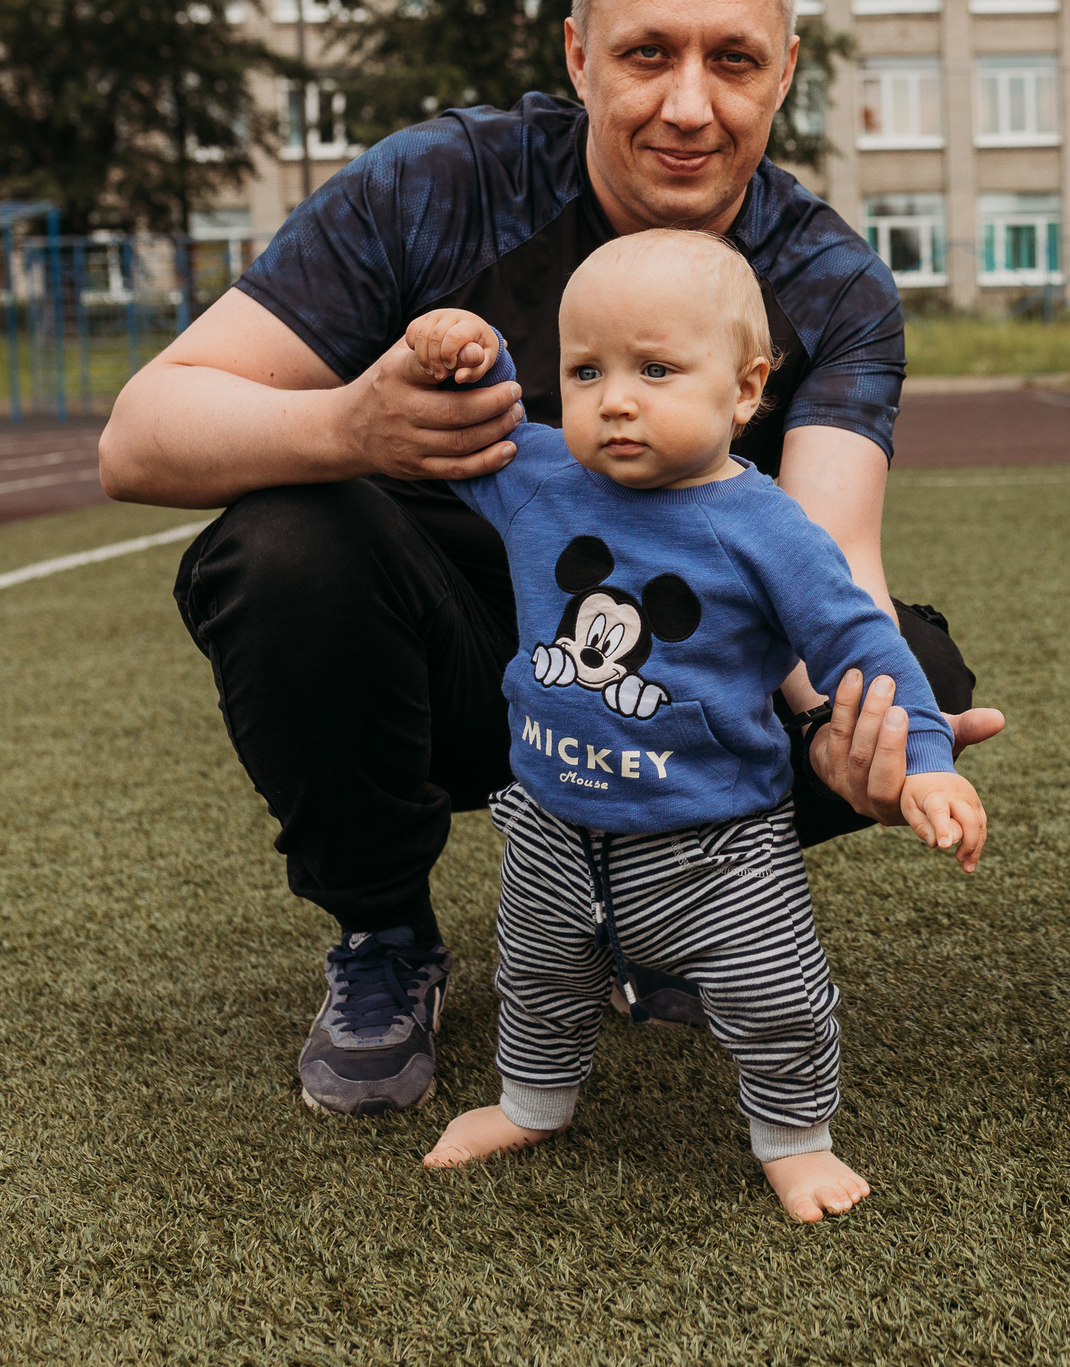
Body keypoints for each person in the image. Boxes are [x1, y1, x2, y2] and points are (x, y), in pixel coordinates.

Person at [97, 0, 1000, 1119]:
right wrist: (348, 425)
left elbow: (831, 546)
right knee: (284, 539)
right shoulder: (434, 186)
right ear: (578, 54)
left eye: (732, 59)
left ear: (785, 71)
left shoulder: (830, 281)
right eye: (646, 53)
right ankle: (385, 935)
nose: (690, 104)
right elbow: (139, 432)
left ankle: (678, 896)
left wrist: (866, 732)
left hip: (665, 688)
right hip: (450, 663)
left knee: (915, 680)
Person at [397, 234, 979, 1221]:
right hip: (551, 824)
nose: (616, 397)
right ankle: (533, 1102)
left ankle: (794, 1136)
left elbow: (859, 646)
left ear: (746, 387)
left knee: (776, 999)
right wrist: (469, 344)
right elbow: (474, 410)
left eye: (656, 368)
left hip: (719, 844)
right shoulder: (539, 476)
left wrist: (923, 760)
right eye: (587, 370)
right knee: (537, 976)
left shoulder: (768, 526)